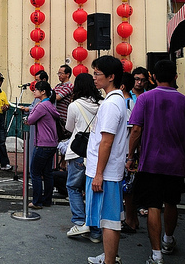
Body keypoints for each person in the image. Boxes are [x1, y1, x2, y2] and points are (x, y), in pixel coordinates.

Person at [126, 60, 185, 264]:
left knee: (153, 206)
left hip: (150, 162)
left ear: (152, 77)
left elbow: (136, 130)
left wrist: (131, 157)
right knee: (172, 202)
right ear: (176, 77)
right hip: (176, 163)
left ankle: (156, 254)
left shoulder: (145, 99)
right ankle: (168, 240)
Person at [85, 56, 128, 264]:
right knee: (107, 219)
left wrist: (99, 174)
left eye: (97, 74)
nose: (94, 78)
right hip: (108, 170)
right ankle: (110, 255)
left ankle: (110, 260)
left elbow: (106, 142)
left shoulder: (112, 104)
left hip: (106, 172)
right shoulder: (115, 100)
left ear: (111, 77)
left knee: (109, 220)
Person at [65, 73, 104, 243]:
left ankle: (80, 222)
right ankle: (95, 232)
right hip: (96, 153)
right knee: (93, 191)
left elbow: (69, 127)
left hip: (78, 151)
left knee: (73, 187)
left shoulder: (74, 105)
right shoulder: (102, 104)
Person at [25, 80, 59, 209]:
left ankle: (37, 201)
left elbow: (30, 120)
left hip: (43, 143)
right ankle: (47, 199)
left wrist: (33, 109)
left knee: (35, 172)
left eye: (36, 89)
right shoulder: (49, 104)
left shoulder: (41, 106)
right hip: (52, 143)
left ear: (43, 92)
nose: (34, 91)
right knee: (48, 173)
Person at [119, 72, 139, 233]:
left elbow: (132, 129)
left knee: (128, 189)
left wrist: (130, 155)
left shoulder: (127, 104)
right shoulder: (130, 102)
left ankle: (130, 220)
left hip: (127, 152)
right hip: (128, 151)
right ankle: (132, 219)